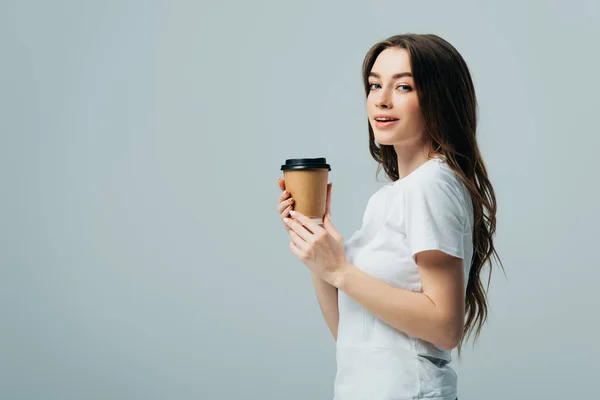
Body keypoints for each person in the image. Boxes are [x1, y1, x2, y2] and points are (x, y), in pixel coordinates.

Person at [275, 33, 502, 400]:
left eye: (404, 87)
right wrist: (316, 251)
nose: (381, 99)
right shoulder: (388, 197)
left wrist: (340, 270)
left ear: (438, 99)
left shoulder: (432, 185)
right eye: (374, 85)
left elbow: (446, 326)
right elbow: (352, 335)